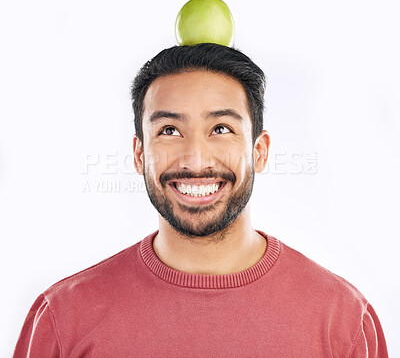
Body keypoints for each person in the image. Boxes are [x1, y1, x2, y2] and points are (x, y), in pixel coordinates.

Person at [13, 43, 388, 357]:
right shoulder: (63, 319)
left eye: (221, 128)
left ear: (259, 151)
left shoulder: (343, 321)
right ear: (139, 154)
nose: (195, 159)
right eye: (169, 130)